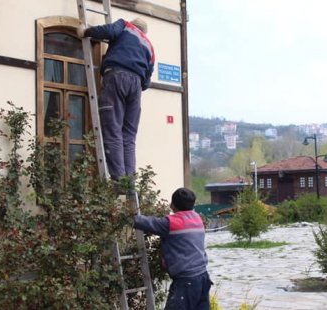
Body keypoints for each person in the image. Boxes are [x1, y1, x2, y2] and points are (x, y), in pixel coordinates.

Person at [77, 18, 155, 180]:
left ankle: (119, 177)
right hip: (136, 86)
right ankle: (130, 179)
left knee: (113, 129)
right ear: (144, 32)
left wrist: (85, 32)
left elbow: (108, 31)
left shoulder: (125, 25)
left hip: (117, 77)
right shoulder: (149, 47)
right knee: (129, 135)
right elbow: (146, 82)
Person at [133, 188, 212, 310]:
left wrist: (125, 213)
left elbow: (146, 222)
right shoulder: (197, 218)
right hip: (203, 277)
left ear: (172, 205)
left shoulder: (171, 223)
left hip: (186, 281)